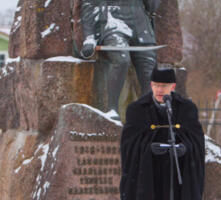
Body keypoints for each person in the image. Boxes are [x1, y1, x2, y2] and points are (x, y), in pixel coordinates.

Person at [120, 67, 205, 200]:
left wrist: (185, 148)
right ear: (151, 85)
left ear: (173, 86)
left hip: (177, 174)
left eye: (164, 86)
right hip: (148, 174)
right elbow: (128, 145)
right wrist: (148, 148)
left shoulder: (187, 108)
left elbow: (197, 141)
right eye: (156, 85)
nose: (159, 90)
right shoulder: (137, 109)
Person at [80, 0, 160, 113]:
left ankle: (151, 111)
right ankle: (112, 108)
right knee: (121, 60)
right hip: (113, 22)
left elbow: (152, 7)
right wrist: (89, 37)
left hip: (141, 23)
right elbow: (88, 5)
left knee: (149, 69)